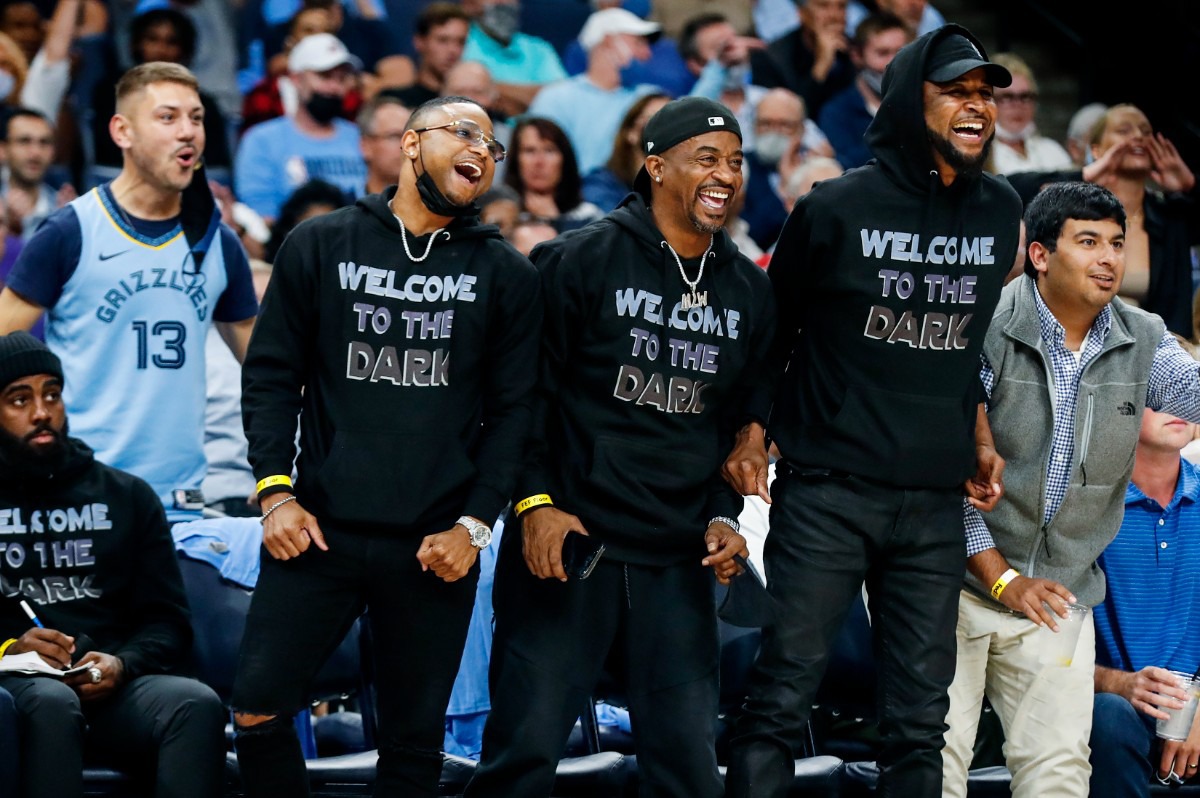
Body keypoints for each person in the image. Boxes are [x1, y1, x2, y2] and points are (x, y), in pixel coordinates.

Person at [722, 26, 1020, 797]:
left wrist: (978, 423)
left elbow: (961, 344)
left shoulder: (998, 210)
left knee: (922, 720)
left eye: (986, 93)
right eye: (956, 90)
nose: (976, 106)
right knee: (782, 695)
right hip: (828, 490)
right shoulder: (836, 206)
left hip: (932, 501)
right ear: (906, 99)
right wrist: (752, 429)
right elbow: (770, 332)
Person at [465, 95, 776, 798]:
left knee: (690, 772)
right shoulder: (577, 259)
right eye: (706, 158)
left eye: (734, 161)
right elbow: (522, 399)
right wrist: (535, 502)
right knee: (522, 758)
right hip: (573, 544)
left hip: (676, 557)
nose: (725, 173)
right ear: (656, 166)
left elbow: (738, 424)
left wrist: (726, 514)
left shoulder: (749, 290)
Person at [231, 94, 540, 798]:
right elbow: (272, 376)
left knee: (412, 743)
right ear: (408, 143)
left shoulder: (507, 275)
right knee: (255, 708)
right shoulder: (321, 243)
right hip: (319, 531)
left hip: (435, 544)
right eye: (464, 133)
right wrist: (274, 491)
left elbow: (517, 415)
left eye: (492, 145)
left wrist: (475, 525)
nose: (481, 152)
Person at [940, 181, 1200, 798]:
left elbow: (1191, 395)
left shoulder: (1144, 337)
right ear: (1039, 254)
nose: (1109, 258)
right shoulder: (983, 325)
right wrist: (1003, 578)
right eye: (1088, 242)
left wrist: (1030, 586)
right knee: (934, 766)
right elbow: (944, 480)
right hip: (954, 584)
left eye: (1117, 242)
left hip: (1059, 595)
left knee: (1058, 776)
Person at [0, 62, 258, 527]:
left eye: (196, 118)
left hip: (183, 505)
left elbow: (269, 370)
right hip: (79, 496)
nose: (188, 132)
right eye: (168, 117)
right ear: (122, 131)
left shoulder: (218, 242)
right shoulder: (70, 231)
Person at [0, 331, 227, 798]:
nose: (41, 412)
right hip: (17, 693)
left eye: (52, 395)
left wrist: (122, 664)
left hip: (112, 688)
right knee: (50, 698)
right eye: (19, 399)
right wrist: (11, 650)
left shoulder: (127, 496)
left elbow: (168, 623)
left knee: (195, 704)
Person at [1006, 104, 1197, 338]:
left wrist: (1191, 187)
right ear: (1096, 150)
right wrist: (1084, 175)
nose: (1137, 137)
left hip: (1157, 354)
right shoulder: (1069, 208)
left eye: (1145, 132)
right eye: (1124, 130)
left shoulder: (1171, 215)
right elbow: (1008, 190)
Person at [1089, 405, 1200, 797]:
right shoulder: (1086, 506)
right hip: (1112, 707)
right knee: (1106, 718)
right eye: (1162, 395)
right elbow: (1047, 646)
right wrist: (1117, 684)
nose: (1181, 406)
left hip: (1196, 704)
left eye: (1190, 392)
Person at [90, 8, 233, 184]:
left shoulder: (203, 103)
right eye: (152, 39)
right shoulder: (112, 92)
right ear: (137, 43)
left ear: (184, 49)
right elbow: (110, 152)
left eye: (171, 42)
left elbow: (213, 166)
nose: (161, 49)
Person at [236, 32, 366, 221]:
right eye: (324, 76)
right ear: (296, 79)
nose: (334, 87)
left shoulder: (361, 137)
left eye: (341, 78)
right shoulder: (262, 140)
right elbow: (260, 216)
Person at [525, 7, 662, 177]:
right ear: (609, 41)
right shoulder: (556, 98)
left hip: (639, 194)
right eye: (639, 43)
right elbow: (537, 162)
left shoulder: (650, 98)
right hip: (576, 197)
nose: (647, 53)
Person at [817, 12, 912, 170]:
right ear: (857, 56)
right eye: (882, 53)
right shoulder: (836, 113)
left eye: (900, 53)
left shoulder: (923, 104)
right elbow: (847, 171)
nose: (893, 63)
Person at [750, 0, 855, 120]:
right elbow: (783, 118)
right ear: (802, 13)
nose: (834, 16)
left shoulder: (857, 51)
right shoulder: (772, 59)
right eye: (823, 6)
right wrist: (821, 66)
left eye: (841, 7)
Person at [460, 0, 566, 117]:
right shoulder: (457, 43)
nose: (502, 3)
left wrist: (488, 88)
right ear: (468, 4)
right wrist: (529, 97)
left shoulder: (539, 49)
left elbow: (560, 99)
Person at [503, 117, 602, 232]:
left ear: (565, 159)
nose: (539, 162)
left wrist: (555, 221)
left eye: (549, 151)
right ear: (515, 159)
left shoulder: (590, 218)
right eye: (529, 151)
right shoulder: (498, 212)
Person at [581, 90, 669, 211]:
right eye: (653, 118)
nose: (664, 128)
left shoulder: (685, 184)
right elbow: (607, 225)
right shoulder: (601, 184)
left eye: (671, 121)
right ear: (631, 132)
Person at [988, 53, 1071, 175]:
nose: (1018, 105)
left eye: (1025, 96)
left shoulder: (1052, 150)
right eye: (1007, 97)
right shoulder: (982, 158)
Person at [0, 108, 64, 241]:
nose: (35, 152)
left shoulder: (65, 210)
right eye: (24, 141)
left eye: (44, 142)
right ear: (3, 149)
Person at [391, 3, 469, 110]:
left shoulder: (470, 104)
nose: (453, 50)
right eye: (443, 40)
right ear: (419, 42)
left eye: (461, 42)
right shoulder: (396, 102)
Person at [358, 94, 413, 196]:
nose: (407, 145)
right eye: (394, 136)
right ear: (365, 146)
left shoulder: (431, 207)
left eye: (411, 137)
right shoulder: (343, 205)